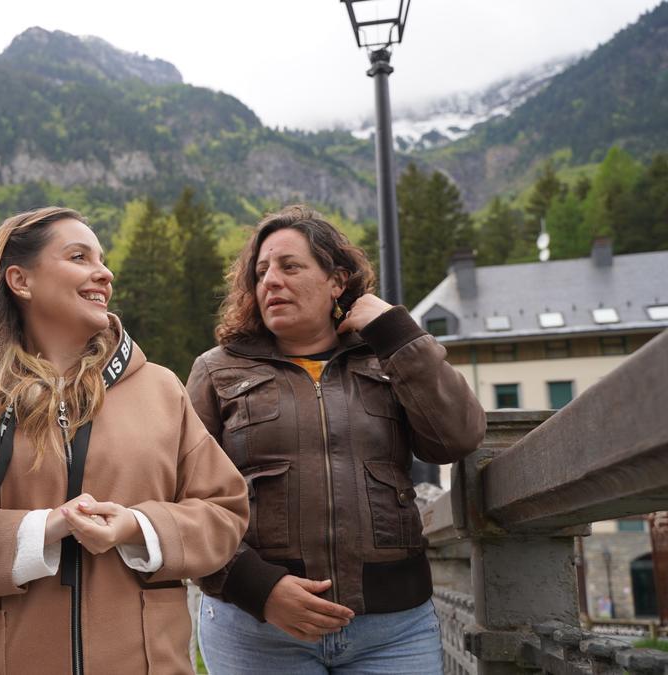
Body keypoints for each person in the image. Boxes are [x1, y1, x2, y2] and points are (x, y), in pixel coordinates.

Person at [0, 206, 248, 673]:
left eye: (101, 259)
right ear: (21, 281)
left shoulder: (162, 391)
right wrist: (37, 532)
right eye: (79, 257)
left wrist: (137, 528)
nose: (104, 273)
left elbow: (224, 512)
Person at [187, 205, 486, 673]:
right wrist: (257, 587)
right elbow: (184, 496)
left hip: (394, 630)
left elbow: (457, 437)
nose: (271, 280)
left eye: (290, 266)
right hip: (258, 627)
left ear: (337, 281)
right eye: (261, 271)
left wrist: (396, 333)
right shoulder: (217, 369)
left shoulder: (386, 355)